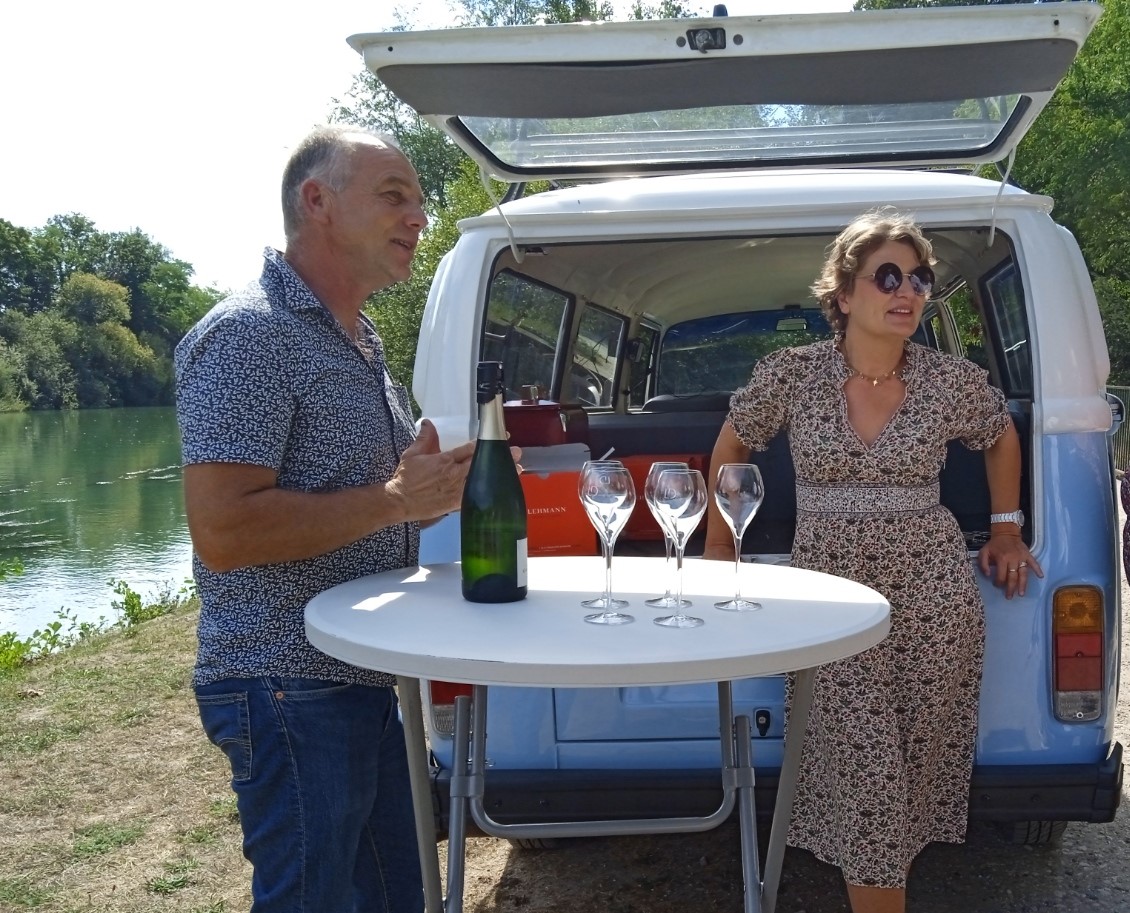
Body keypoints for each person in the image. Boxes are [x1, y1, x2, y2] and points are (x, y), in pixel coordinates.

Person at [703, 208, 1041, 913]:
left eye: (918, 279)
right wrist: (718, 545)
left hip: (934, 596)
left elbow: (1000, 434)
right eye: (888, 275)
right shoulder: (792, 374)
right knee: (869, 777)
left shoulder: (948, 380)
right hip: (830, 593)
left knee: (909, 775)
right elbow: (732, 445)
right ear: (845, 291)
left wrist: (1007, 528)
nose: (907, 290)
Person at [174, 125, 475, 913]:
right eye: (394, 195)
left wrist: (440, 481)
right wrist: (396, 500)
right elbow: (224, 531)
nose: (419, 216)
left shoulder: (359, 339)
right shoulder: (248, 336)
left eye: (419, 199)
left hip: (364, 674)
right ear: (318, 202)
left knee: (392, 899)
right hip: (287, 681)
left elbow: (390, 490)